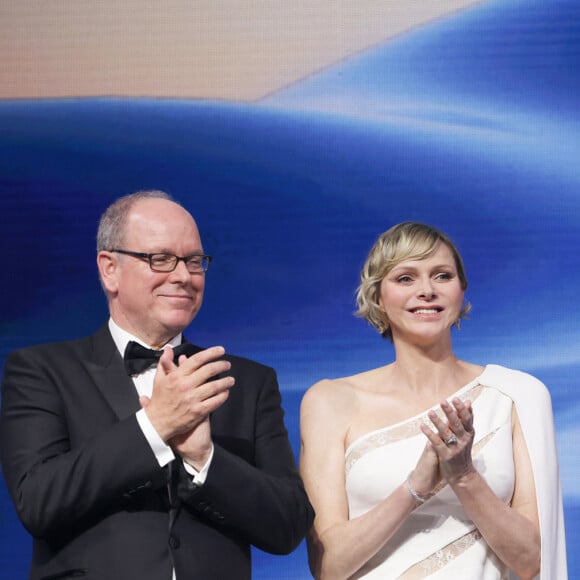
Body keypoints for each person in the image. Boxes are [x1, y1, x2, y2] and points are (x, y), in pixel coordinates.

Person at [0, 190, 314, 580]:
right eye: (160, 259)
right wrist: (155, 427)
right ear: (109, 269)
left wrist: (205, 460)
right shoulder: (41, 370)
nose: (182, 276)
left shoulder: (246, 381)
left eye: (194, 261)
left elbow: (288, 526)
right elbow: (38, 502)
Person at [299, 221, 567, 579]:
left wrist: (465, 476)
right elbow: (328, 568)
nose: (427, 290)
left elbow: (532, 560)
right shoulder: (330, 401)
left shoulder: (516, 396)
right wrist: (416, 487)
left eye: (442, 276)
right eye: (406, 278)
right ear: (378, 297)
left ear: (461, 292)